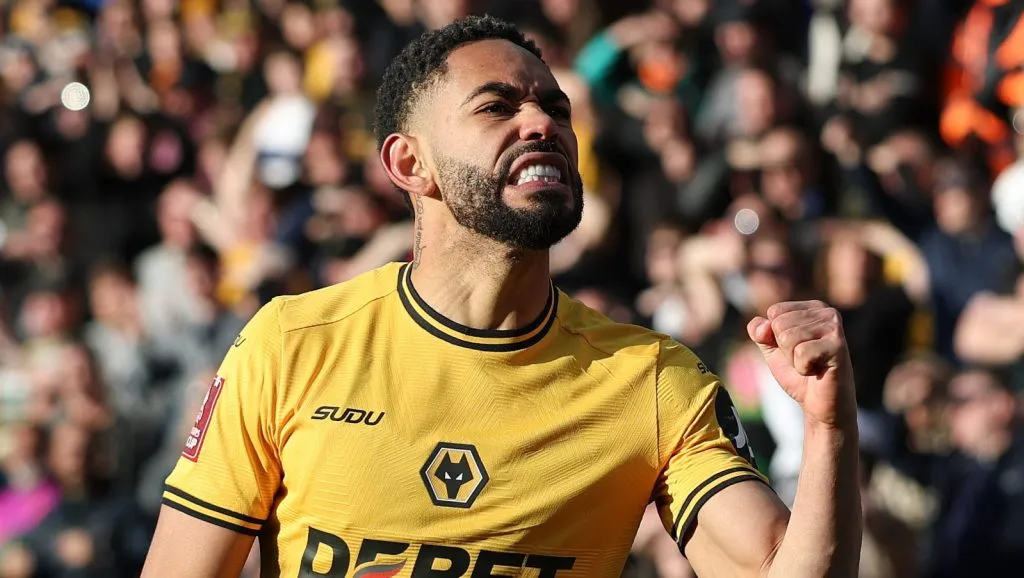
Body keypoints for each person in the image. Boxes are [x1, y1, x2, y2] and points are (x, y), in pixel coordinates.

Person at [141, 15, 862, 577]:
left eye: (556, 108)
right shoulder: (290, 343)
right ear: (409, 163)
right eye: (497, 107)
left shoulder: (652, 380)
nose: (542, 122)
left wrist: (830, 428)